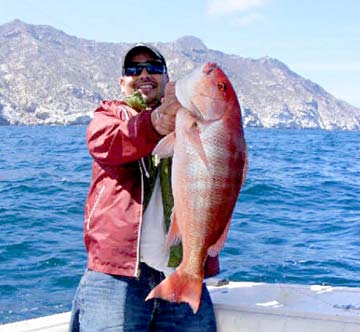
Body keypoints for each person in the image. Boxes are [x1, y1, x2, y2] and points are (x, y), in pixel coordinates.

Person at [69, 43, 219, 332]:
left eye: (153, 67)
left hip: (182, 270)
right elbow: (108, 142)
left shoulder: (192, 120)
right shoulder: (109, 116)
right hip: (118, 274)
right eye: (133, 69)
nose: (144, 73)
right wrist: (155, 123)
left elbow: (221, 172)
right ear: (122, 81)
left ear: (167, 78)